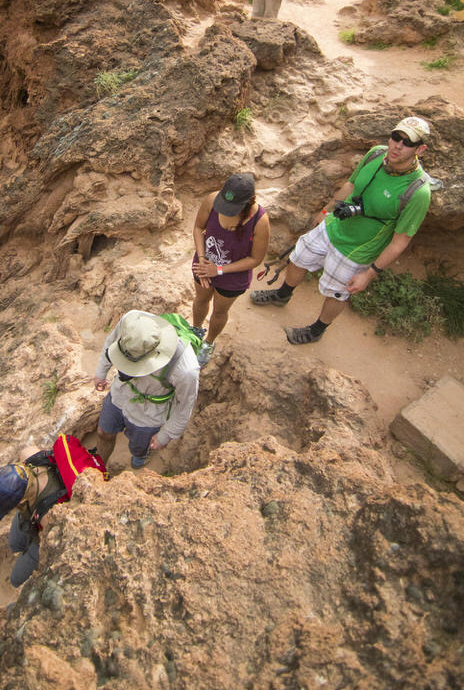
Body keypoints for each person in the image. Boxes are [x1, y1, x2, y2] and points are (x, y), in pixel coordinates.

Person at [250, 116, 433, 345]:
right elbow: (351, 185)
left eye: (408, 143)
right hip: (334, 225)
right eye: (396, 137)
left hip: (358, 249)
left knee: (336, 292)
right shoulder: (376, 153)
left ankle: (317, 330)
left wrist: (369, 273)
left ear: (421, 149)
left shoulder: (419, 191)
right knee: (298, 258)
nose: (398, 145)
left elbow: (400, 242)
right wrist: (326, 211)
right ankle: (283, 294)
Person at [94, 310, 199, 468]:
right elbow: (110, 343)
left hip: (148, 415)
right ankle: (99, 466)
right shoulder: (130, 321)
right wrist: (101, 372)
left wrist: (165, 435)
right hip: (120, 392)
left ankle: (140, 455)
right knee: (103, 432)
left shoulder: (185, 369)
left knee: (139, 447)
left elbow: (184, 407)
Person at [191, 172, 270, 367]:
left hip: (232, 276)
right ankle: (195, 331)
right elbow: (198, 228)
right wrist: (202, 260)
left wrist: (218, 269)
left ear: (248, 202)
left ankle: (208, 342)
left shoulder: (260, 221)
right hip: (205, 265)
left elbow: (255, 259)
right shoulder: (211, 200)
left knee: (219, 311)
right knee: (200, 299)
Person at [0, 456, 65, 587]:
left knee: (16, 579)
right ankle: (21, 549)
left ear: (21, 501)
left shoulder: (48, 517)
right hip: (28, 516)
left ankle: (27, 557)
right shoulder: (30, 459)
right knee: (15, 543)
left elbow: (51, 546)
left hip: (41, 537)